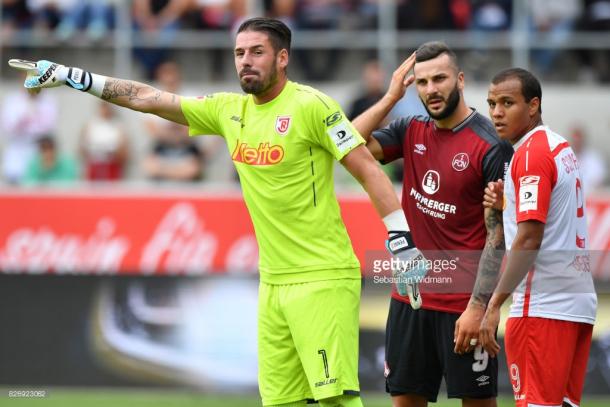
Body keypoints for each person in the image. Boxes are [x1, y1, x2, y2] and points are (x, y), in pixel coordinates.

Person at [8, 17, 424, 406]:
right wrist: (75, 78)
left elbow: (368, 168)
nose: (246, 61)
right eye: (240, 52)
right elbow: (151, 98)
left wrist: (401, 240)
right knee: (283, 401)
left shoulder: (313, 106)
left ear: (282, 57)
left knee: (335, 397)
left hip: (322, 277)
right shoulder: (229, 110)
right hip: (272, 283)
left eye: (257, 52)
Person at [352, 41, 513, 406]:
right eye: (422, 82)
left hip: (463, 304)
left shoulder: (490, 145)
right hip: (411, 299)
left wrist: (478, 307)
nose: (431, 89)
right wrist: (391, 97)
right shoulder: (410, 129)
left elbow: (498, 235)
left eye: (439, 79)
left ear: (460, 80)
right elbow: (345, 144)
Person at [480, 68, 597, 407]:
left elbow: (530, 240)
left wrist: (493, 304)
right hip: (576, 302)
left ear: (533, 106)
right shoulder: (559, 146)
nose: (497, 113)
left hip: (543, 307)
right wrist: (509, 205)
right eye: (491, 103)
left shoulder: (530, 156)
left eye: (507, 102)